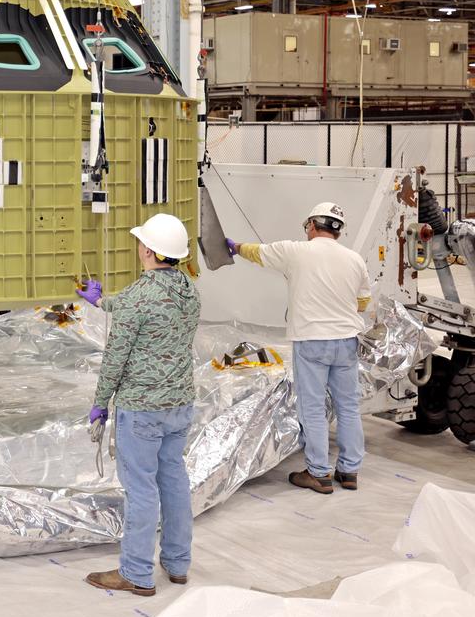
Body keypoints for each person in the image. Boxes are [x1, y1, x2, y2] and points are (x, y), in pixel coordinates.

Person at [76, 213, 200, 597]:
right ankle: (177, 563)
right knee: (174, 481)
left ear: (148, 250)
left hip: (142, 410)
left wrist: (100, 403)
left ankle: (136, 573)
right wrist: (103, 303)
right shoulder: (190, 290)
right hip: (179, 404)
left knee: (142, 490)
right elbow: (147, 311)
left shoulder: (137, 298)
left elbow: (116, 358)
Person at [227, 202, 370, 494]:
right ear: (338, 231)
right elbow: (363, 302)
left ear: (313, 225)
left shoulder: (295, 251)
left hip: (312, 341)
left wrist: (235, 247)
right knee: (348, 407)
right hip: (346, 341)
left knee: (313, 408)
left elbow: (258, 252)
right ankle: (349, 471)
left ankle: (319, 473)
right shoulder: (354, 259)